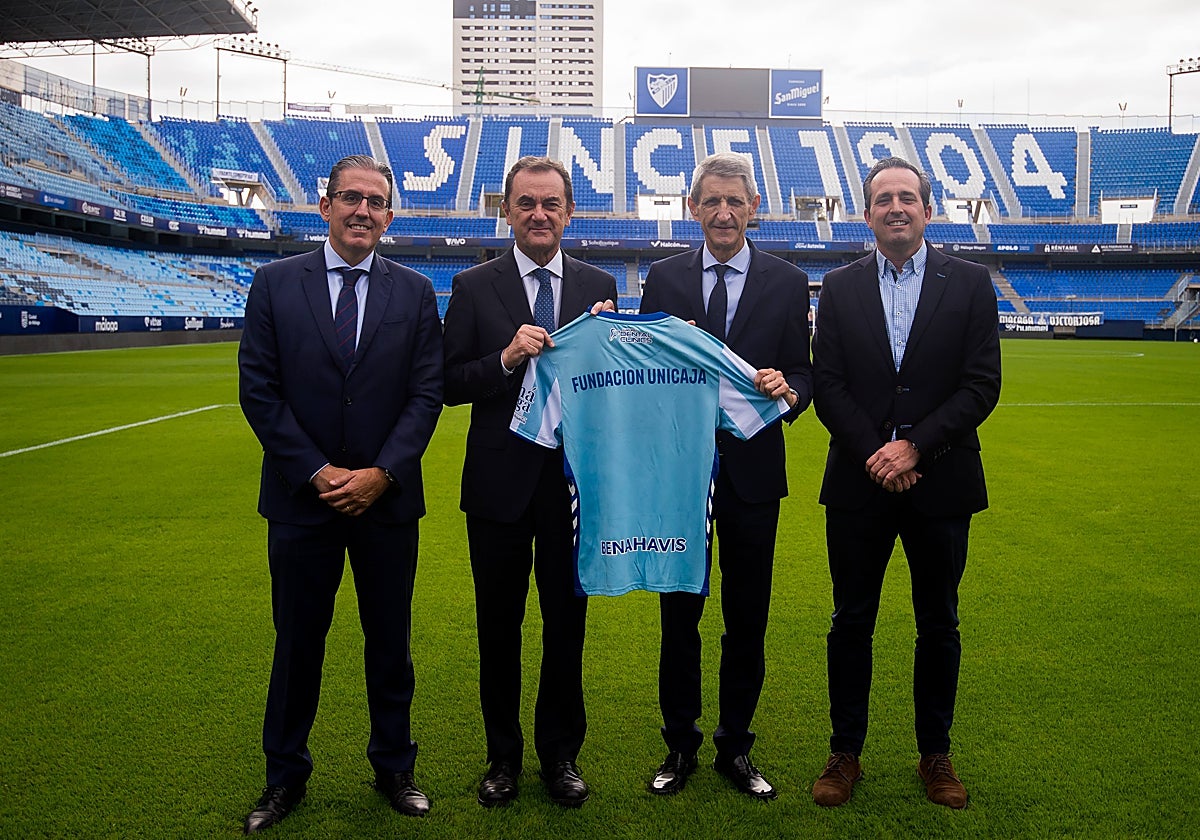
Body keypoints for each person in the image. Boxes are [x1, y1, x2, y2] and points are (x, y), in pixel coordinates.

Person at [237, 155, 444, 833]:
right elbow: (259, 391)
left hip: (388, 502)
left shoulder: (414, 292)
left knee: (390, 645)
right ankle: (284, 776)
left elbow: (425, 395)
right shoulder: (274, 283)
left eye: (376, 201)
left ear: (390, 214)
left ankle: (395, 768)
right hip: (303, 502)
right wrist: (317, 471)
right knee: (298, 644)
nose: (363, 210)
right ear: (324, 207)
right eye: (350, 198)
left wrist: (382, 472)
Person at [809, 156, 1001, 809]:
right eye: (883, 199)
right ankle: (845, 752)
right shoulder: (837, 286)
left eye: (907, 198)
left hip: (942, 480)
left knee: (939, 622)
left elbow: (982, 384)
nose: (895, 207)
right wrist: (878, 452)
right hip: (860, 482)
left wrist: (916, 446)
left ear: (927, 209)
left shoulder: (971, 282)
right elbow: (827, 384)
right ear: (866, 214)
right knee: (850, 620)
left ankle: (935, 754)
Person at [441, 156, 618, 808]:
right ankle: (502, 757)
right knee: (499, 628)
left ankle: (560, 754)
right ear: (507, 212)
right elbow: (449, 382)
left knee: (567, 625)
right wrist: (505, 359)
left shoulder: (599, 286)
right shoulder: (472, 286)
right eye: (526, 204)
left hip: (574, 488)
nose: (539, 214)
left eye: (551, 204)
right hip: (497, 488)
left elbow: (606, 388)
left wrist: (612, 341)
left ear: (569, 213)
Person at [638, 151, 812, 800]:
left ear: (754, 209)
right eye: (711, 201)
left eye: (735, 202)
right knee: (678, 615)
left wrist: (786, 387)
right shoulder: (663, 278)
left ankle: (735, 748)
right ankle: (679, 745)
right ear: (693, 208)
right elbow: (646, 373)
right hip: (677, 474)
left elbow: (805, 372)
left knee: (748, 618)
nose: (723, 213)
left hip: (752, 474)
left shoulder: (789, 283)